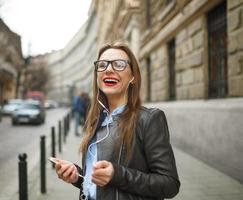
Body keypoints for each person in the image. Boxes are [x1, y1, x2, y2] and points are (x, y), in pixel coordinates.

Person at [54, 42, 180, 200]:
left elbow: (170, 184)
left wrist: (117, 174)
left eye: (119, 64)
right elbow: (98, 185)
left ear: (133, 76)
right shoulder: (96, 120)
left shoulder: (149, 119)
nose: (108, 69)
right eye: (102, 65)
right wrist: (77, 176)